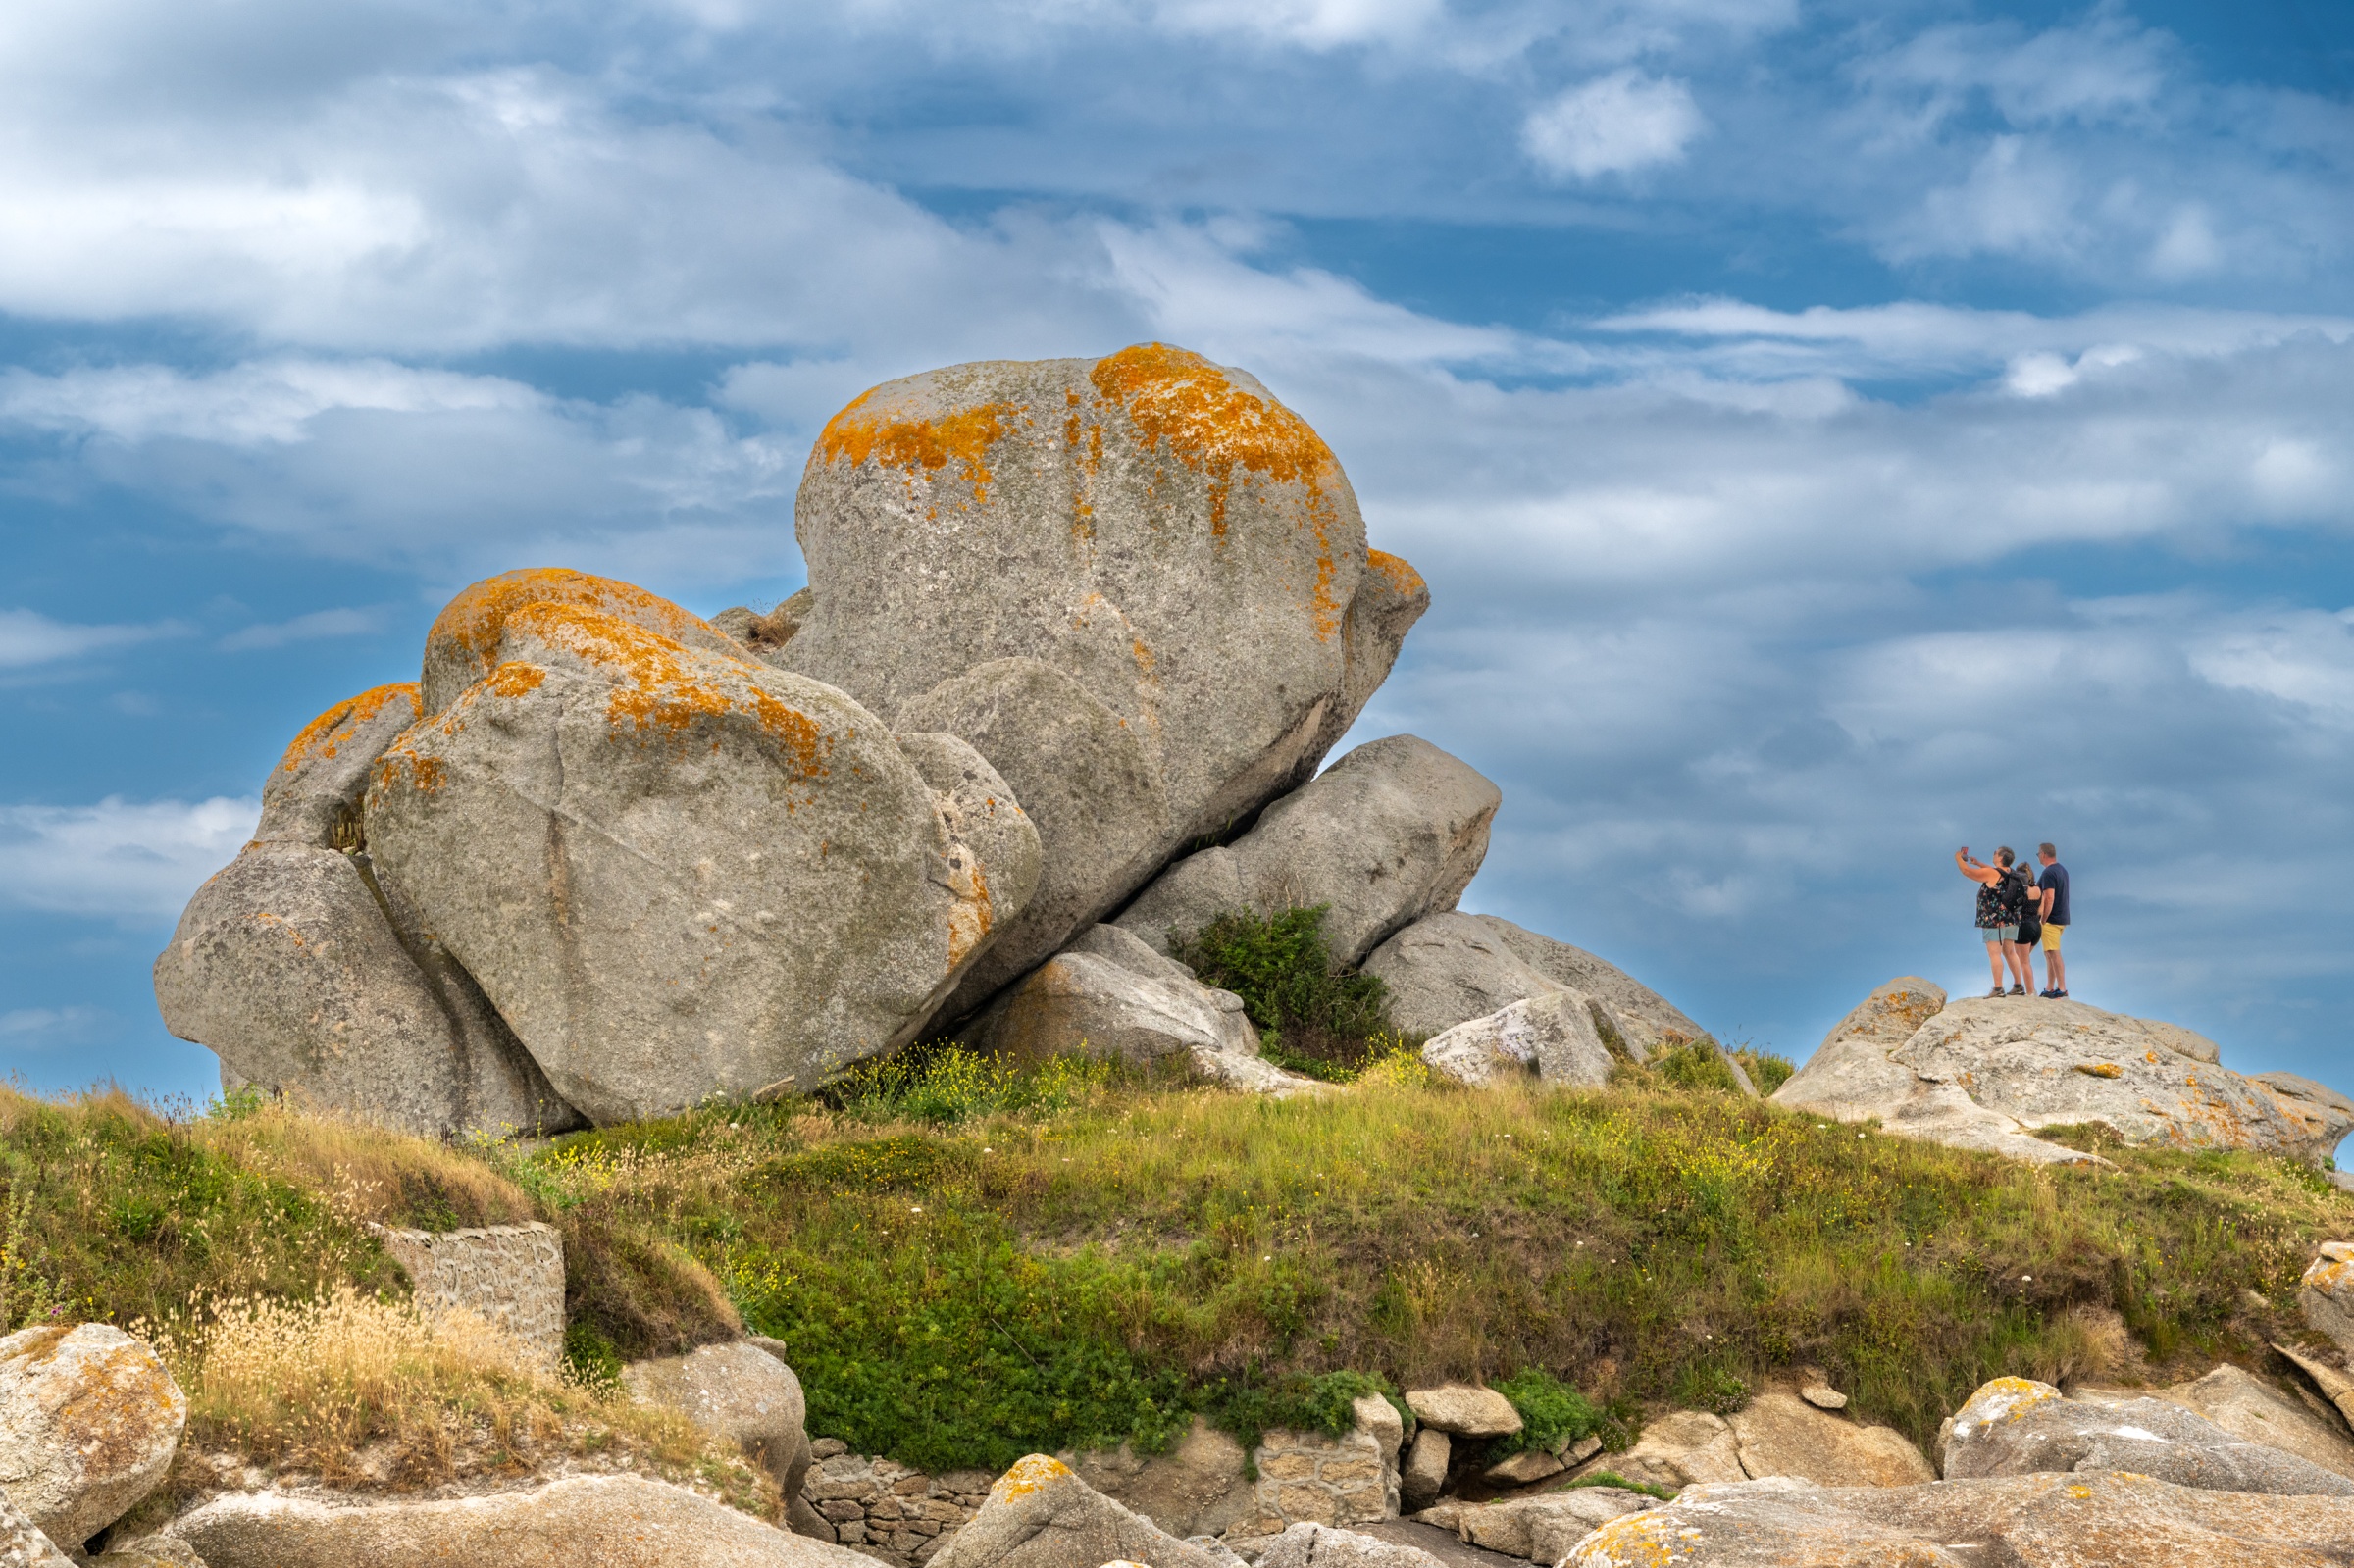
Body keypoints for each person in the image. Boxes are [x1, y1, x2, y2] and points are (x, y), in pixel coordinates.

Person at [1957, 846, 2032, 996]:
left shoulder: (1993, 873)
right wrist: (1979, 863)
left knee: (1994, 953)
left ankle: (1998, 988)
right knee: (2010, 952)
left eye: (1995, 853)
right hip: (2011, 918)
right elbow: (1995, 871)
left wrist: (1958, 857)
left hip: (1994, 920)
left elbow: (1966, 871)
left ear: (2001, 858)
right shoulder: (2012, 873)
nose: (1993, 854)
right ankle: (2018, 985)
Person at [2035, 842, 2071, 998]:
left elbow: (2049, 897)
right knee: (2049, 953)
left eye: (2038, 854)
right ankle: (2050, 987)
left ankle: (2061, 989)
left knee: (2054, 953)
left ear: (2043, 854)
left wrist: (2043, 919)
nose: (2038, 857)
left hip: (2052, 919)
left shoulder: (2048, 873)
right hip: (2062, 917)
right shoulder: (2062, 870)